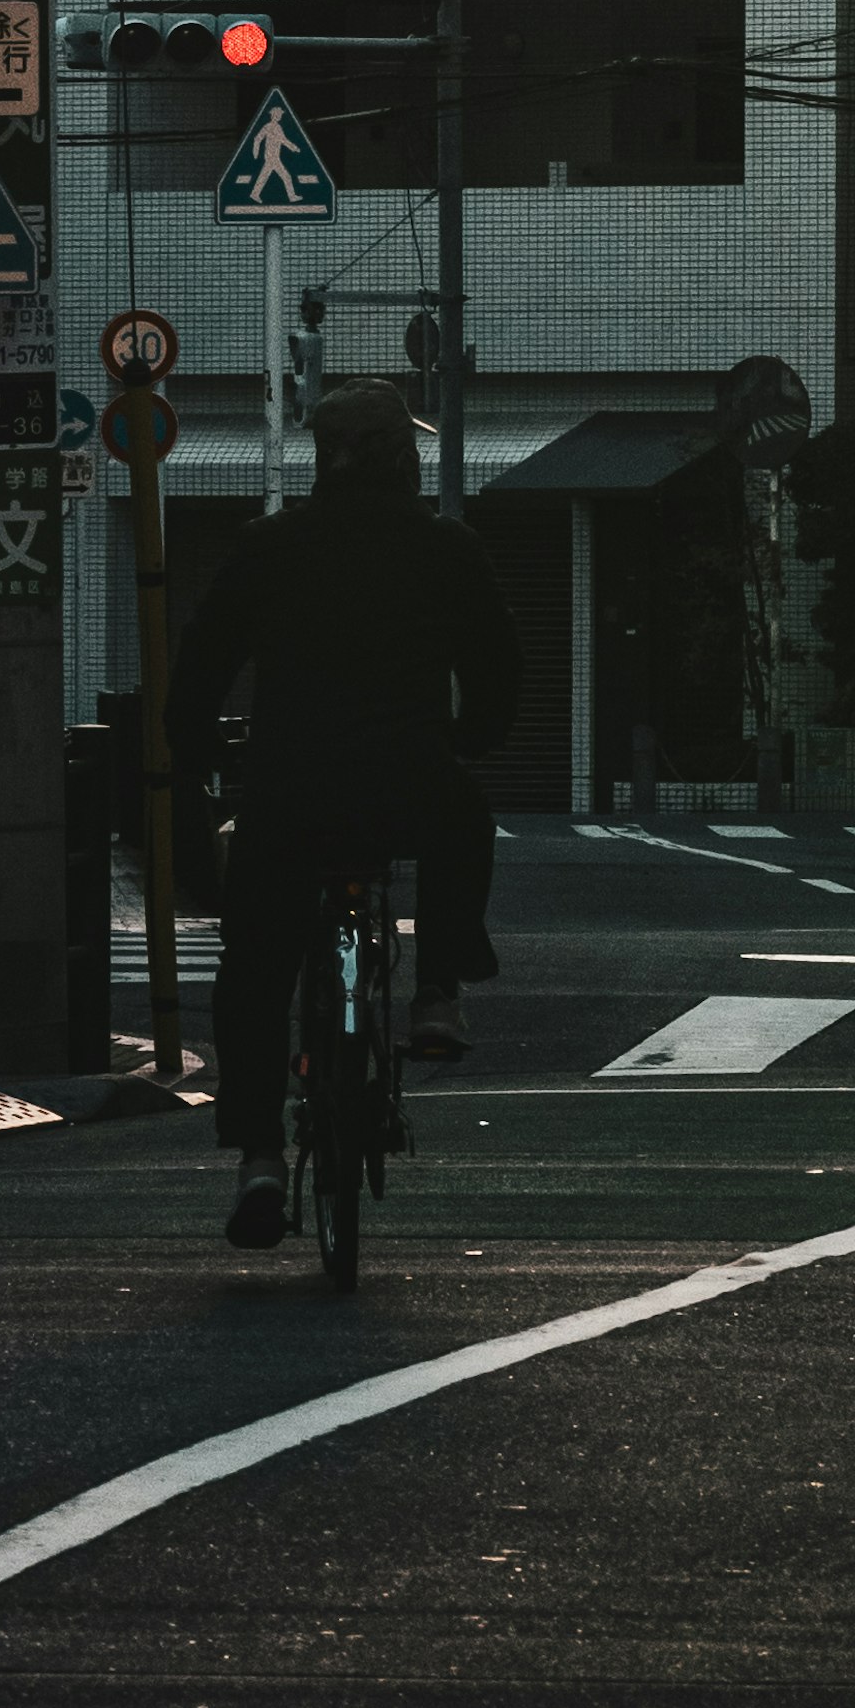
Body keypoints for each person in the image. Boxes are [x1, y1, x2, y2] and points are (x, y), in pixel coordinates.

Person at [166, 380, 518, 1249]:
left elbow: (200, 667)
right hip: (408, 779)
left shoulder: (269, 546)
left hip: (290, 791)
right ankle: (436, 991)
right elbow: (498, 665)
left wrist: (199, 751)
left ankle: (257, 1154)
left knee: (254, 971)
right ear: (403, 457)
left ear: (325, 458)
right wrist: (470, 736)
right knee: (464, 821)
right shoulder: (444, 548)